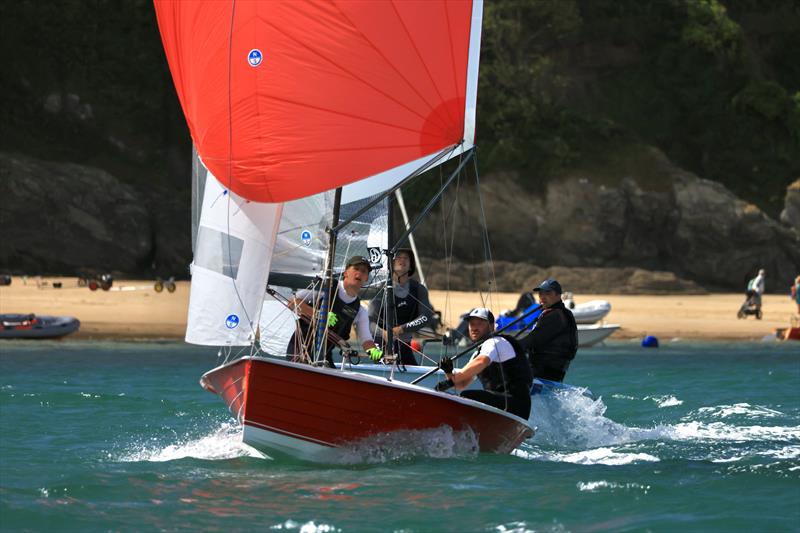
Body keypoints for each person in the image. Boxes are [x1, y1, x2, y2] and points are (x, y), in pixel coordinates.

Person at [435, 308, 532, 419]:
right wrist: (449, 372)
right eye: (472, 324)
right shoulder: (478, 353)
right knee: (465, 394)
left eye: (480, 324)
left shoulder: (495, 342)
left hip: (515, 404)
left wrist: (451, 381)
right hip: (503, 404)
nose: (474, 328)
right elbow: (461, 385)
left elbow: (482, 361)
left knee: (468, 396)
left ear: (491, 326)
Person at [287, 256, 382, 368]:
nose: (359, 273)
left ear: (366, 278)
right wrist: (318, 314)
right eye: (356, 268)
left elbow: (366, 339)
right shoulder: (326, 287)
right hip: (300, 349)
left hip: (324, 356)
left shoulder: (360, 311)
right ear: (346, 273)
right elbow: (292, 302)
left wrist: (374, 351)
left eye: (364, 271)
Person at [368, 248, 434, 365]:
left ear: (410, 265)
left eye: (406, 258)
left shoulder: (418, 289)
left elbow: (426, 316)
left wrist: (402, 328)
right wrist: (385, 333)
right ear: (391, 263)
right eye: (398, 257)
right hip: (381, 344)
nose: (402, 260)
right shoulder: (379, 288)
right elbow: (370, 322)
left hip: (404, 344)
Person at [517, 278, 577, 382]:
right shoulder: (562, 312)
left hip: (544, 370)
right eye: (540, 294)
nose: (542, 297)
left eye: (547, 293)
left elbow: (533, 340)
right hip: (554, 370)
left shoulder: (555, 315)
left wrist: (510, 345)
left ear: (558, 295)